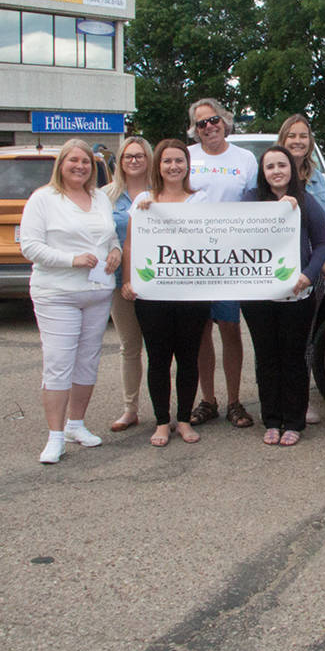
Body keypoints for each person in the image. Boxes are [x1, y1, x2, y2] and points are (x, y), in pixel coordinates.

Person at [20, 138, 121, 464]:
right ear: (61, 164)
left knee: (87, 362)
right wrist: (72, 259)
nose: (79, 166)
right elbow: (30, 247)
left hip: (97, 293)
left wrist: (116, 252)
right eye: (73, 161)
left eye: (86, 163)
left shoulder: (99, 198)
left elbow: (110, 237)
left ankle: (76, 424)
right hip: (57, 294)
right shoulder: (44, 199)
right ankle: (55, 436)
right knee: (59, 364)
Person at [121, 139, 210, 447]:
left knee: (188, 358)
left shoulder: (201, 200)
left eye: (179, 161)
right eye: (167, 161)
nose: (174, 166)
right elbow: (130, 244)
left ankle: (183, 419)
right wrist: (127, 280)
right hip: (152, 294)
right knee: (158, 358)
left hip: (192, 293)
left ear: (187, 165)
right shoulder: (144, 200)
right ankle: (162, 421)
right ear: (158, 166)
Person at [241, 146, 325, 446]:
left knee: (293, 359)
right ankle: (272, 420)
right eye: (270, 167)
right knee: (267, 359)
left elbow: (321, 244)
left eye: (282, 165)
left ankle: (294, 421)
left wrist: (309, 274)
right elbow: (236, 233)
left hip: (297, 295)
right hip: (258, 297)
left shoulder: (306, 201)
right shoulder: (251, 200)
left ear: (291, 169)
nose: (276, 171)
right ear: (262, 173)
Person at [186, 97, 258, 429]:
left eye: (214, 120)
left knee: (230, 328)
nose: (209, 127)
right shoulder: (187, 157)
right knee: (200, 331)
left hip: (232, 258)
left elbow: (257, 204)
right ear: (195, 129)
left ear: (225, 121)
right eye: (202, 123)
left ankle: (233, 401)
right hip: (194, 258)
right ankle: (208, 400)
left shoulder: (244, 159)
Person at [278, 113, 325, 426]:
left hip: (308, 269)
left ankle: (302, 399)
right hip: (275, 268)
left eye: (303, 136)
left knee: (305, 338)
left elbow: (322, 225)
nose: (298, 141)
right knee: (276, 339)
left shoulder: (316, 178)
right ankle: (275, 398)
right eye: (292, 136)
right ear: (282, 141)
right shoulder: (271, 172)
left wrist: (323, 266)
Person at [102, 136, 152, 433]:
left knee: (161, 350)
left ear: (148, 159)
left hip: (158, 284)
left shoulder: (161, 193)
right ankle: (130, 409)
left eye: (139, 156)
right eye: (128, 156)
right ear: (120, 161)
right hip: (122, 284)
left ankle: (166, 411)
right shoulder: (106, 196)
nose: (133, 161)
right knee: (130, 347)